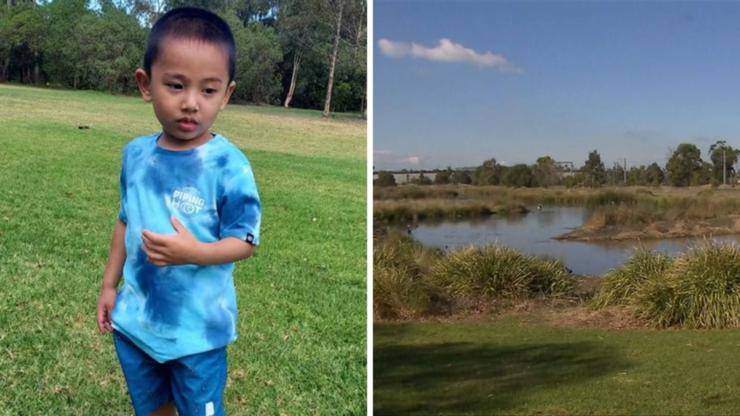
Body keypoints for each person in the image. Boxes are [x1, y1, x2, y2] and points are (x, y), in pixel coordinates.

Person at [95, 7, 260, 416]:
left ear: (227, 94)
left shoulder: (229, 165)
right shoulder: (135, 155)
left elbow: (245, 240)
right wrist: (108, 286)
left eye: (208, 90)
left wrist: (194, 253)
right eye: (176, 85)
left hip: (197, 337)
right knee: (153, 409)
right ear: (145, 84)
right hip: (136, 325)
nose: (190, 104)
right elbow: (124, 221)